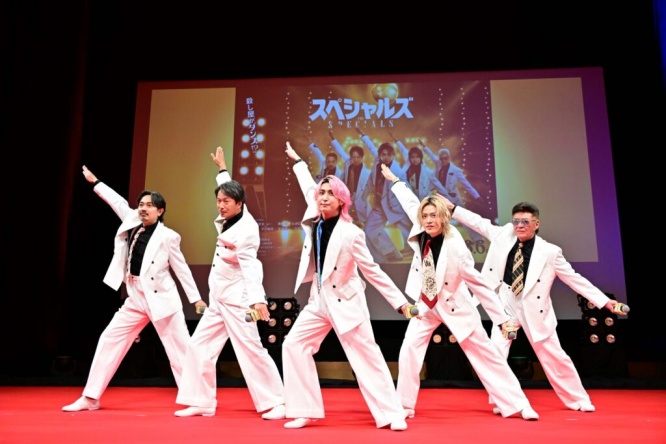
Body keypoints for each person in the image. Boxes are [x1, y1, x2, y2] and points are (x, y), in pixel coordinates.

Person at [379, 164, 540, 421]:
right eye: (425, 216)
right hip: (426, 304)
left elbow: (479, 285)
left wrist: (501, 320)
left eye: (434, 216)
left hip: (456, 306)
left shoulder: (457, 247)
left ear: (444, 218)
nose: (428, 220)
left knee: (487, 356)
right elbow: (410, 202)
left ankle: (519, 404)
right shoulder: (421, 228)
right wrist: (394, 180)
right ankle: (404, 405)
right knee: (408, 350)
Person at [440, 198, 628, 412]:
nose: (519, 226)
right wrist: (453, 209)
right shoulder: (504, 235)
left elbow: (574, 279)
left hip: (533, 307)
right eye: (516, 221)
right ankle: (504, 401)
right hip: (506, 302)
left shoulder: (550, 252)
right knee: (496, 353)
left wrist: (604, 301)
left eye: (525, 222)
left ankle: (578, 399)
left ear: (536, 224)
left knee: (554, 356)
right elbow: (479, 223)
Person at [280, 141, 412, 431]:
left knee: (367, 357)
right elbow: (307, 186)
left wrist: (400, 302)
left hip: (348, 301)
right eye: (322, 193)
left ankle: (392, 414)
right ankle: (304, 409)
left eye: (331, 193)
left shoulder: (352, 233)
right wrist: (298, 161)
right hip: (319, 301)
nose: (324, 197)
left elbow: (372, 271)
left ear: (342, 200)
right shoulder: (314, 218)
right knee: (293, 345)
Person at [63, 166, 204, 412]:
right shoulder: (132, 221)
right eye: (141, 204)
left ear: (160, 211)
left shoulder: (169, 236)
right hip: (136, 296)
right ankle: (91, 397)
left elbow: (182, 269)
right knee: (110, 339)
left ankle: (197, 400)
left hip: (162, 299)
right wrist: (96, 182)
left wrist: (196, 299)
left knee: (180, 350)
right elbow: (116, 201)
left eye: (149, 205)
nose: (143, 208)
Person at [174, 147, 285, 419]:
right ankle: (201, 401)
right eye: (219, 201)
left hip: (238, 301)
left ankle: (277, 402)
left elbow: (252, 267)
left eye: (226, 201)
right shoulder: (232, 215)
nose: (221, 205)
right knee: (198, 346)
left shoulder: (246, 230)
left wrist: (257, 301)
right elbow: (227, 187)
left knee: (251, 350)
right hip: (218, 300)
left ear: (240, 204)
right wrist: (222, 170)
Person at [359, 137, 411, 262]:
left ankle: (429, 255)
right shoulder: (377, 165)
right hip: (380, 207)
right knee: (368, 231)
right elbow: (371, 180)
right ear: (379, 155)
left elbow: (406, 188)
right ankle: (388, 254)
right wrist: (363, 196)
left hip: (395, 207)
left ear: (393, 155)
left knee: (412, 232)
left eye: (388, 155)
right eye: (383, 155)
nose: (386, 157)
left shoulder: (397, 171)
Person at [328, 130, 371, 225]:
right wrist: (333, 138)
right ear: (350, 157)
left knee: (364, 218)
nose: (355, 159)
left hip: (359, 196)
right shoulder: (348, 163)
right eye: (353, 157)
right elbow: (340, 151)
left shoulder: (367, 173)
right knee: (342, 218)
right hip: (347, 194)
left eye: (358, 157)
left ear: (362, 157)